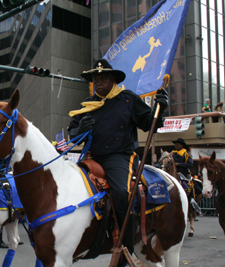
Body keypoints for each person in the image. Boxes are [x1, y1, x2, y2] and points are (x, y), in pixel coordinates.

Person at [68, 59, 168, 267]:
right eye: (95, 79)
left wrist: (161, 107)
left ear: (113, 80)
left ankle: (126, 246)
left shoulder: (128, 99)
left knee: (122, 193)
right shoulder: (86, 105)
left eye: (103, 78)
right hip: (92, 158)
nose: (98, 82)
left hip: (119, 156)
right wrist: (80, 131)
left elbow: (150, 123)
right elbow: (72, 135)